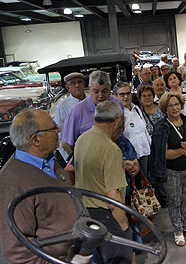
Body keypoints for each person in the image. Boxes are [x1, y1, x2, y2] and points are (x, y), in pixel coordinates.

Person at [0, 109, 88, 263]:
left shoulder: (49, 161)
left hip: (74, 252)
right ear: (36, 140)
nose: (59, 130)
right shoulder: (13, 183)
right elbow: (18, 251)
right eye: (53, 128)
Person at [75, 101, 132, 263]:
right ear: (116, 122)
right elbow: (112, 196)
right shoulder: (111, 149)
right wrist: (123, 226)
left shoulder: (82, 140)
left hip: (85, 213)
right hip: (107, 215)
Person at [150, 92, 186, 247]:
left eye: (176, 104)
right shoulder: (161, 127)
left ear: (181, 105)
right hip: (171, 172)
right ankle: (178, 230)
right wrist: (184, 151)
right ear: (164, 108)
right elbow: (163, 154)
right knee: (175, 201)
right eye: (170, 105)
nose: (174, 108)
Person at [62, 70, 122, 155]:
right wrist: (79, 163)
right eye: (96, 91)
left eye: (104, 91)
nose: (100, 96)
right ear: (89, 89)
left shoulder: (117, 103)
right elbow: (66, 144)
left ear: (110, 88)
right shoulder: (77, 112)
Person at [114, 82, 152, 178]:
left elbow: (145, 130)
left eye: (128, 93)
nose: (125, 97)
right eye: (122, 94)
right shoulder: (116, 113)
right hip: (130, 157)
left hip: (144, 152)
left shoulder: (136, 109)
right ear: (115, 96)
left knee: (145, 183)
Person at [137, 84, 167, 206]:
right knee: (150, 174)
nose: (147, 98)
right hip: (147, 147)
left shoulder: (160, 108)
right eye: (144, 96)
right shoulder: (138, 112)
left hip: (161, 145)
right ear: (140, 98)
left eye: (149, 95)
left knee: (161, 172)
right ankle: (154, 198)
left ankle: (164, 197)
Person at [53, 72, 86, 161]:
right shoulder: (61, 107)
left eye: (79, 82)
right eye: (73, 83)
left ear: (84, 84)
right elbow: (60, 137)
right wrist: (70, 159)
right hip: (74, 153)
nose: (77, 85)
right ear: (68, 88)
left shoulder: (92, 102)